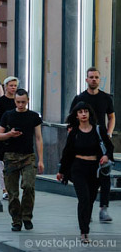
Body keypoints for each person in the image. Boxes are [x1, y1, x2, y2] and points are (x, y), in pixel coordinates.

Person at [58, 101, 114, 243]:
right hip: (78, 168)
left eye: (86, 111)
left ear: (89, 114)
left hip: (94, 169)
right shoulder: (74, 132)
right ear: (76, 115)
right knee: (83, 199)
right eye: (80, 112)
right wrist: (61, 171)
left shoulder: (98, 130)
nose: (83, 114)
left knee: (90, 200)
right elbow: (67, 153)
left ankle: (85, 226)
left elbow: (109, 147)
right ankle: (84, 232)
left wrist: (106, 156)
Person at [70, 67, 116, 223]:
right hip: (84, 143)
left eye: (96, 77)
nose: (94, 79)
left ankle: (103, 208)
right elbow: (71, 121)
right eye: (91, 77)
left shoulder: (106, 98)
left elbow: (111, 116)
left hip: (102, 142)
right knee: (86, 178)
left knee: (104, 175)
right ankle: (86, 207)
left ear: (99, 79)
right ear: (86, 79)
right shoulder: (79, 98)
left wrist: (109, 133)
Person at [0, 89, 43, 232]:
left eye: (23, 102)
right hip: (10, 157)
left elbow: (38, 138)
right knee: (12, 192)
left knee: (29, 186)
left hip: (28, 156)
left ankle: (27, 217)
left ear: (28, 100)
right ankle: (16, 220)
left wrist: (41, 159)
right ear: (14, 101)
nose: (21, 105)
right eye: (18, 102)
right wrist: (10, 134)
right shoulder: (8, 115)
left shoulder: (34, 116)